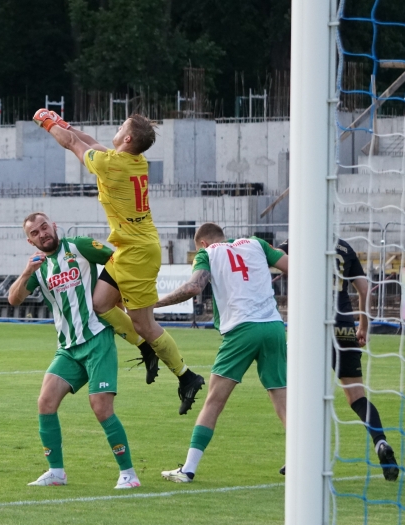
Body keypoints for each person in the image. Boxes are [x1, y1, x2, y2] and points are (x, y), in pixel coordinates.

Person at [33, 110, 204, 414]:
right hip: (128, 248)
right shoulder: (131, 160)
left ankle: (186, 376)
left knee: (145, 323)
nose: (115, 129)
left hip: (138, 252)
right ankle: (145, 350)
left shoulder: (111, 165)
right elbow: (88, 141)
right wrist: (65, 123)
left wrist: (47, 122)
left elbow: (73, 144)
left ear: (126, 138)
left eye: (121, 126)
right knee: (100, 303)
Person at [8, 212, 141, 489]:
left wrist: (122, 302)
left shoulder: (78, 247)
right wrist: (25, 273)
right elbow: (14, 300)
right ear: (30, 240)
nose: (42, 233)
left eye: (44, 227)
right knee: (45, 403)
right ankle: (56, 472)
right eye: (35, 232)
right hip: (67, 348)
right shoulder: (39, 268)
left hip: (97, 339)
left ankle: (129, 474)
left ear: (54, 226)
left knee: (101, 407)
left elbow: (118, 262)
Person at [155, 223, 288, 483]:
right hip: (273, 326)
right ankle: (301, 459)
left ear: (202, 243)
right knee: (281, 397)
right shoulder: (256, 243)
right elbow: (293, 267)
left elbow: (195, 287)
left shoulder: (207, 254)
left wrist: (156, 303)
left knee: (214, 401)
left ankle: (188, 469)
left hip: (241, 330)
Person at [279, 239, 398, 481]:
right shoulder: (345, 248)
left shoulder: (299, 239)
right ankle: (381, 443)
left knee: (297, 394)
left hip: (312, 325)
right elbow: (364, 288)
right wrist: (363, 326)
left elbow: (274, 260)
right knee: (357, 397)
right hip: (344, 325)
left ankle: (300, 458)